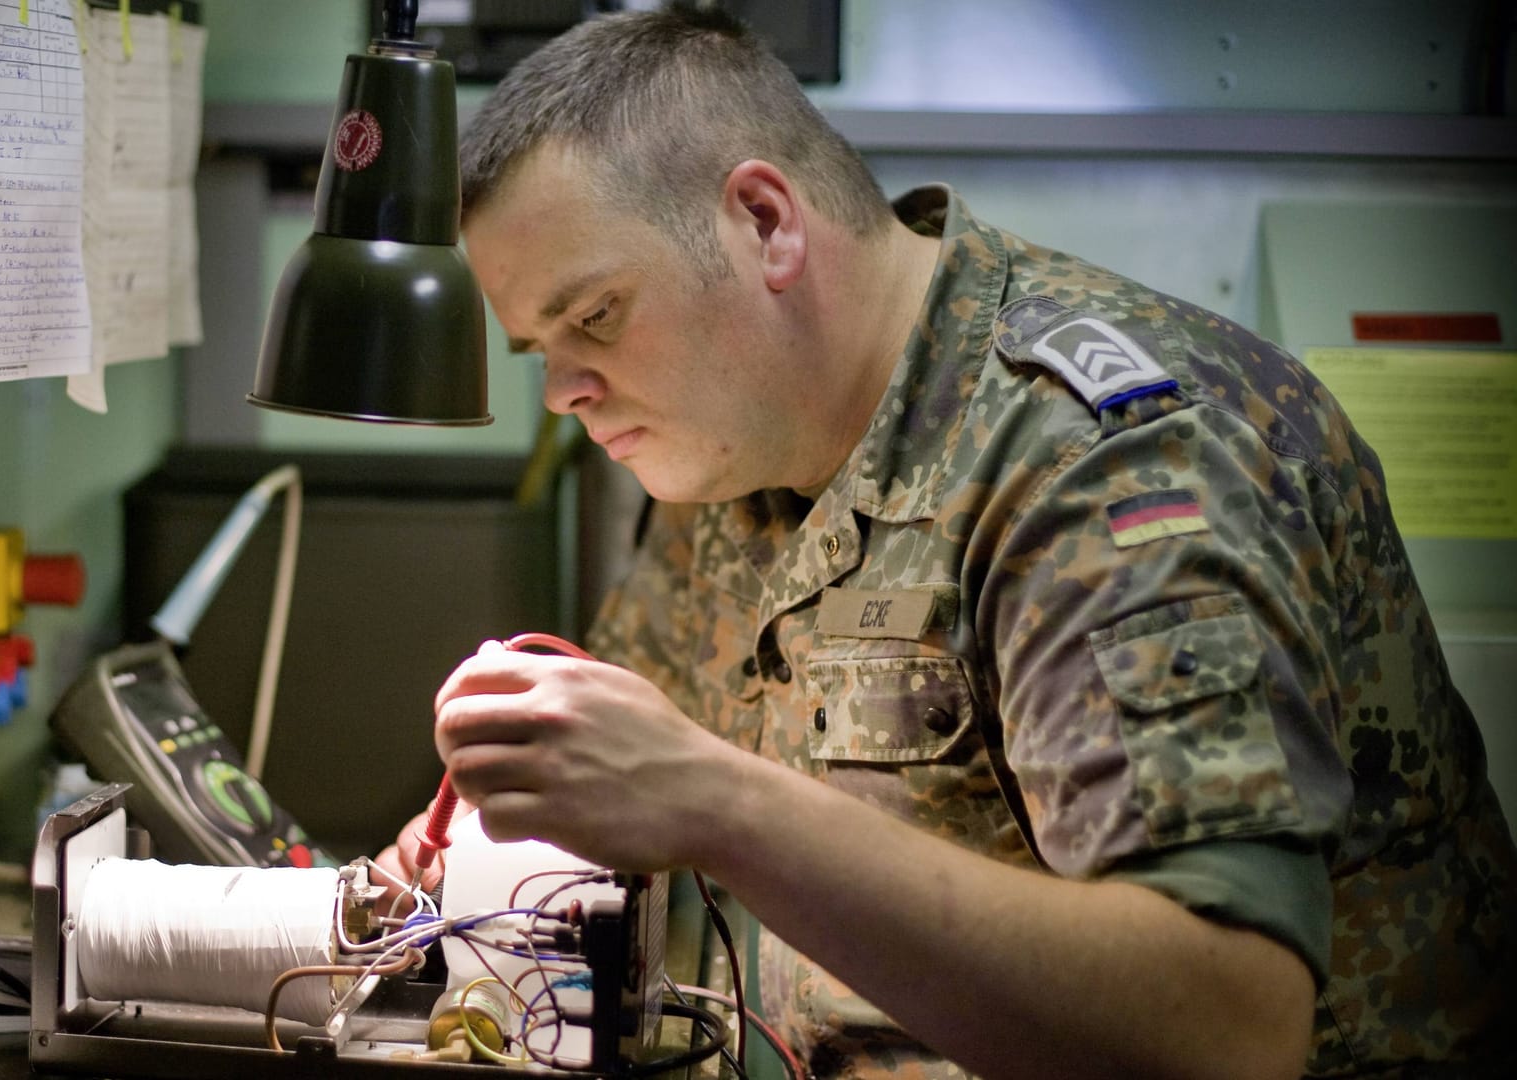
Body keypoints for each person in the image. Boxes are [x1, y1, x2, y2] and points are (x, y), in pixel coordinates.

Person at [377, 7, 1517, 1077]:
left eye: (596, 316)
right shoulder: (732, 445)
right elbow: (620, 764)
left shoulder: (1109, 464)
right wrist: (465, 851)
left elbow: (1228, 1025)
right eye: (542, 349)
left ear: (764, 224)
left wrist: (720, 807)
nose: (567, 394)